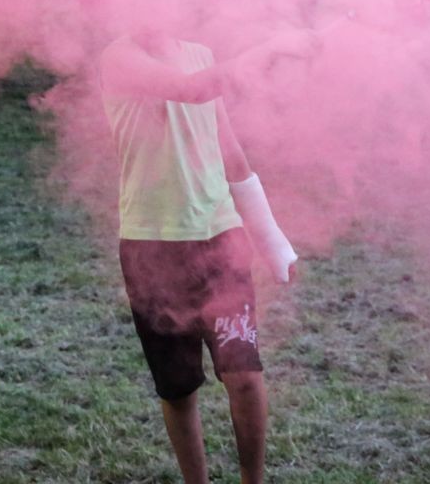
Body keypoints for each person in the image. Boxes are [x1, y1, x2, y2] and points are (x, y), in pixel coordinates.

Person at [100, 29, 305, 484]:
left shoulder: (200, 54)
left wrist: (270, 238)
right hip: (151, 246)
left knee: (244, 376)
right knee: (179, 389)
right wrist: (267, 47)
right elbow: (190, 90)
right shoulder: (119, 58)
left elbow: (229, 152)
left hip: (220, 238)